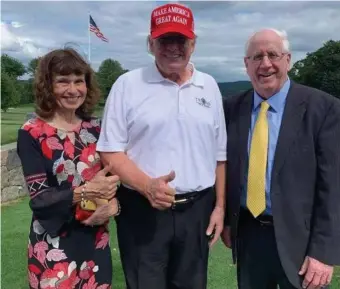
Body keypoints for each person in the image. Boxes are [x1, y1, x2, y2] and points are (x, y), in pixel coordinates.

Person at [96, 3, 227, 289]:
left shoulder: (210, 85)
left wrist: (219, 207)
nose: (172, 48)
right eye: (164, 40)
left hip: (197, 210)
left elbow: (219, 155)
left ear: (193, 44)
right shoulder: (127, 84)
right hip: (142, 210)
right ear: (150, 43)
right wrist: (147, 186)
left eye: (180, 40)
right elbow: (109, 150)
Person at [221, 28, 340, 289]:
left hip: (302, 240)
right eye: (256, 57)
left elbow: (333, 187)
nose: (265, 64)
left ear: (288, 60)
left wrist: (323, 252)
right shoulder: (231, 109)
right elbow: (227, 168)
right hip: (249, 236)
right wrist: (229, 220)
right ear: (246, 64)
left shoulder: (324, 108)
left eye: (273, 55)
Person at [17, 48, 121, 289]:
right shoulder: (31, 132)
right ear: (47, 86)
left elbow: (117, 178)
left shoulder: (97, 129)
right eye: (63, 81)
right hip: (53, 244)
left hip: (96, 240)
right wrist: (86, 191)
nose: (73, 90)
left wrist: (116, 204)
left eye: (78, 81)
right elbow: (40, 198)